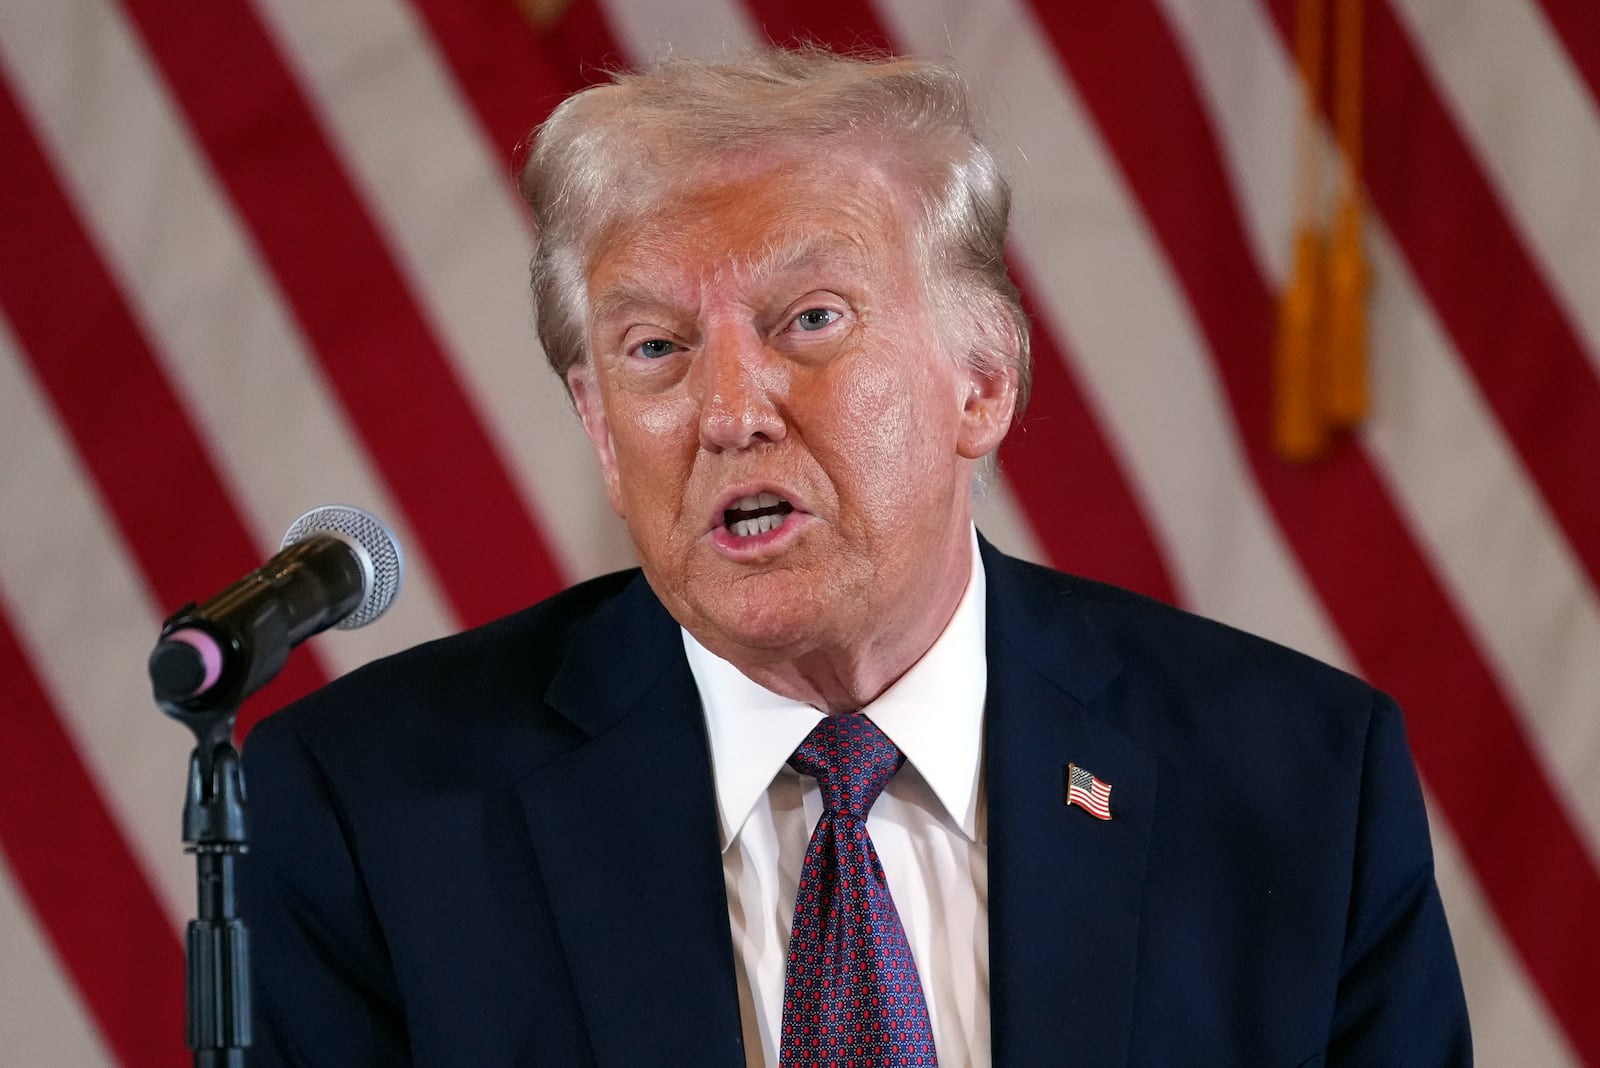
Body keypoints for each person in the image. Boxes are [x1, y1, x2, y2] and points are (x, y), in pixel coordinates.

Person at [238, 47, 1471, 1067]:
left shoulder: (1297, 785)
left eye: (808, 321)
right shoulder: (373, 813)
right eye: (656, 349)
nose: (730, 411)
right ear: (601, 435)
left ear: (980, 384)